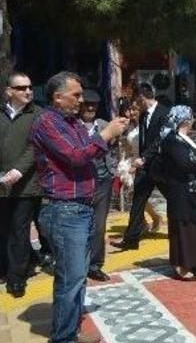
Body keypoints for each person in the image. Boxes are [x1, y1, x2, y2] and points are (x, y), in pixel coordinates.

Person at [32, 71, 127, 343]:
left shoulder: (71, 123)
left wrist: (106, 136)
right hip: (64, 210)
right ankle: (63, 337)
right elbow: (76, 156)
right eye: (75, 95)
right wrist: (106, 133)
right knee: (70, 278)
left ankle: (70, 330)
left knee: (78, 277)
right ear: (57, 97)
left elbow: (89, 150)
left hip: (80, 208)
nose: (81, 100)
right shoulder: (46, 123)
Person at [113, 83, 170, 251]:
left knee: (174, 199)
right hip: (145, 168)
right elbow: (145, 141)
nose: (136, 106)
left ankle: (185, 230)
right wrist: (140, 161)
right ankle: (131, 240)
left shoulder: (164, 113)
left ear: (142, 98)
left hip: (160, 167)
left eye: (137, 102)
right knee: (138, 202)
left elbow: (161, 139)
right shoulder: (145, 116)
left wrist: (144, 158)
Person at [159, 106, 196, 281]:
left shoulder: (185, 139)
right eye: (190, 119)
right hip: (181, 191)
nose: (192, 122)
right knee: (183, 227)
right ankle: (181, 265)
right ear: (184, 120)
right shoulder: (172, 140)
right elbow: (183, 163)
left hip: (195, 191)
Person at [0, 72, 42, 297]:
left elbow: (35, 146)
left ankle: (17, 278)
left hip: (26, 186)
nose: (27, 91)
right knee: (3, 229)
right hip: (1, 185)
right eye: (21, 87)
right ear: (9, 91)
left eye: (29, 87)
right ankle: (4, 267)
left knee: (19, 231)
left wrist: (18, 170)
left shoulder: (38, 115)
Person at [79, 90, 119, 282]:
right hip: (80, 182)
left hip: (103, 181)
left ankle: (95, 265)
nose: (90, 108)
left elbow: (114, 147)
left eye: (94, 105)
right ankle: (79, 264)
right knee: (79, 226)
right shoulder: (72, 126)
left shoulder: (104, 125)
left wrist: (113, 170)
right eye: (87, 104)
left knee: (99, 226)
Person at [115, 99, 161, 231]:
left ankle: (154, 218)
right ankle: (143, 222)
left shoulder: (147, 124)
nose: (131, 112)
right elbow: (127, 145)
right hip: (133, 160)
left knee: (138, 195)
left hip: (144, 161)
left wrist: (140, 162)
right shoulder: (130, 125)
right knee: (132, 194)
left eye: (134, 109)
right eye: (130, 110)